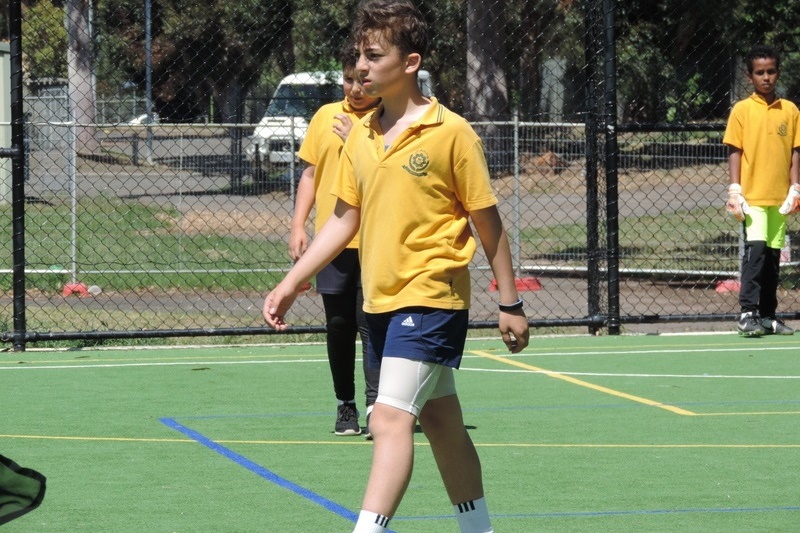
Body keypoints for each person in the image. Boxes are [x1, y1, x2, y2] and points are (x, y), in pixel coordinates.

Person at [263, 1, 529, 531]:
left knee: (386, 418)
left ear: (410, 63)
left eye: (373, 54)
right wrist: (292, 282)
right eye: (357, 54)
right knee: (442, 422)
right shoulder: (359, 134)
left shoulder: (450, 132)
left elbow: (488, 222)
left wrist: (510, 301)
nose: (360, 65)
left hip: (431, 296)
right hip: (379, 300)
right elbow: (342, 220)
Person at [291, 44, 382, 436]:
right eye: (348, 80)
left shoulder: (389, 120)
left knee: (372, 324)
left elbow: (385, 171)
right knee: (339, 323)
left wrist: (357, 140)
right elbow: (310, 175)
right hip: (334, 241)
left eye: (362, 80)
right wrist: (299, 226)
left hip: (379, 240)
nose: (355, 89)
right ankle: (346, 406)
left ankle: (378, 405)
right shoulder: (325, 116)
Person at [724, 44, 800, 337]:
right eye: (759, 72)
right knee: (754, 255)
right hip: (752, 198)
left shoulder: (790, 110)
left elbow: (795, 151)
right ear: (750, 76)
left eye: (770, 71)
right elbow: (734, 149)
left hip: (779, 200)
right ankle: (747, 313)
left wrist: (795, 189)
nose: (765, 77)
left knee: (772, 259)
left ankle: (768, 316)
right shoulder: (742, 110)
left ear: (777, 73)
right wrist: (735, 190)